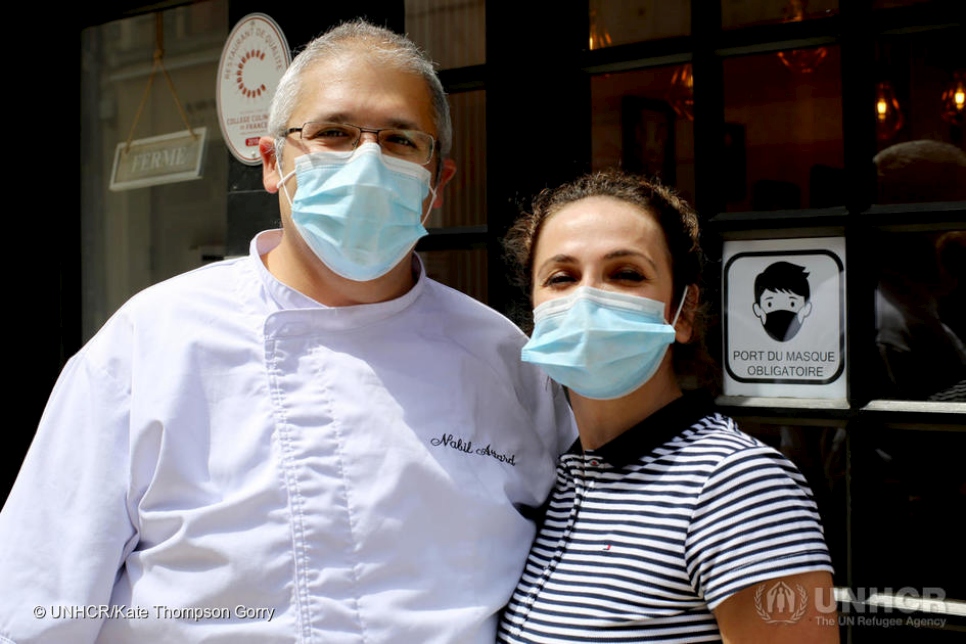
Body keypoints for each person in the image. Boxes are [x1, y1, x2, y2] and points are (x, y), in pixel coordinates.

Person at [0, 20, 575, 644]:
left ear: (438, 183)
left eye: (401, 140)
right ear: (272, 163)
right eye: (332, 133)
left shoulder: (507, 364)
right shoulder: (148, 345)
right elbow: (40, 601)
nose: (366, 161)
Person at [497, 170, 838, 643]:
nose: (587, 297)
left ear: (684, 311)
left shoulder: (738, 486)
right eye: (561, 277)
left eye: (626, 274)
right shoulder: (557, 475)